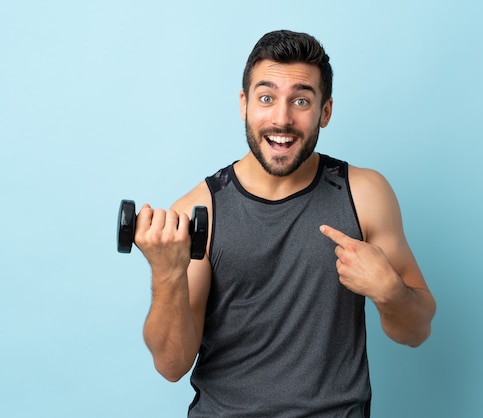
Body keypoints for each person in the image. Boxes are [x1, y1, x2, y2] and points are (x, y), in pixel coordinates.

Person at [135, 29, 436, 417]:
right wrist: (166, 274)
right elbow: (171, 365)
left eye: (300, 100)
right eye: (266, 98)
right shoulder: (198, 211)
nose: (282, 118)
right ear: (244, 104)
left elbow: (415, 332)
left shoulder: (364, 194)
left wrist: (389, 291)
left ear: (325, 112)